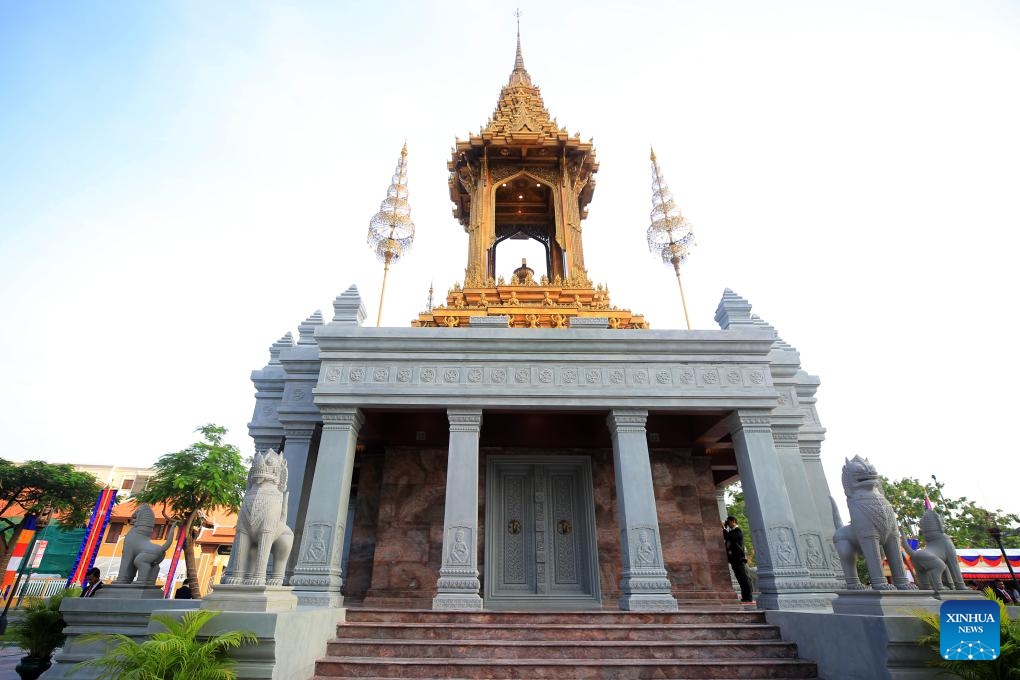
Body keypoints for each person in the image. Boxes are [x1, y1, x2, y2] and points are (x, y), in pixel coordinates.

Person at [723, 516, 753, 603]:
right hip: (734, 559)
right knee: (740, 578)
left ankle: (748, 597)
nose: (728, 524)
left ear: (734, 521)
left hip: (739, 559)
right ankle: (745, 597)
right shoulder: (732, 531)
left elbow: (730, 537)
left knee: (743, 578)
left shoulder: (738, 531)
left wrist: (724, 528)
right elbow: (727, 537)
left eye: (729, 522)